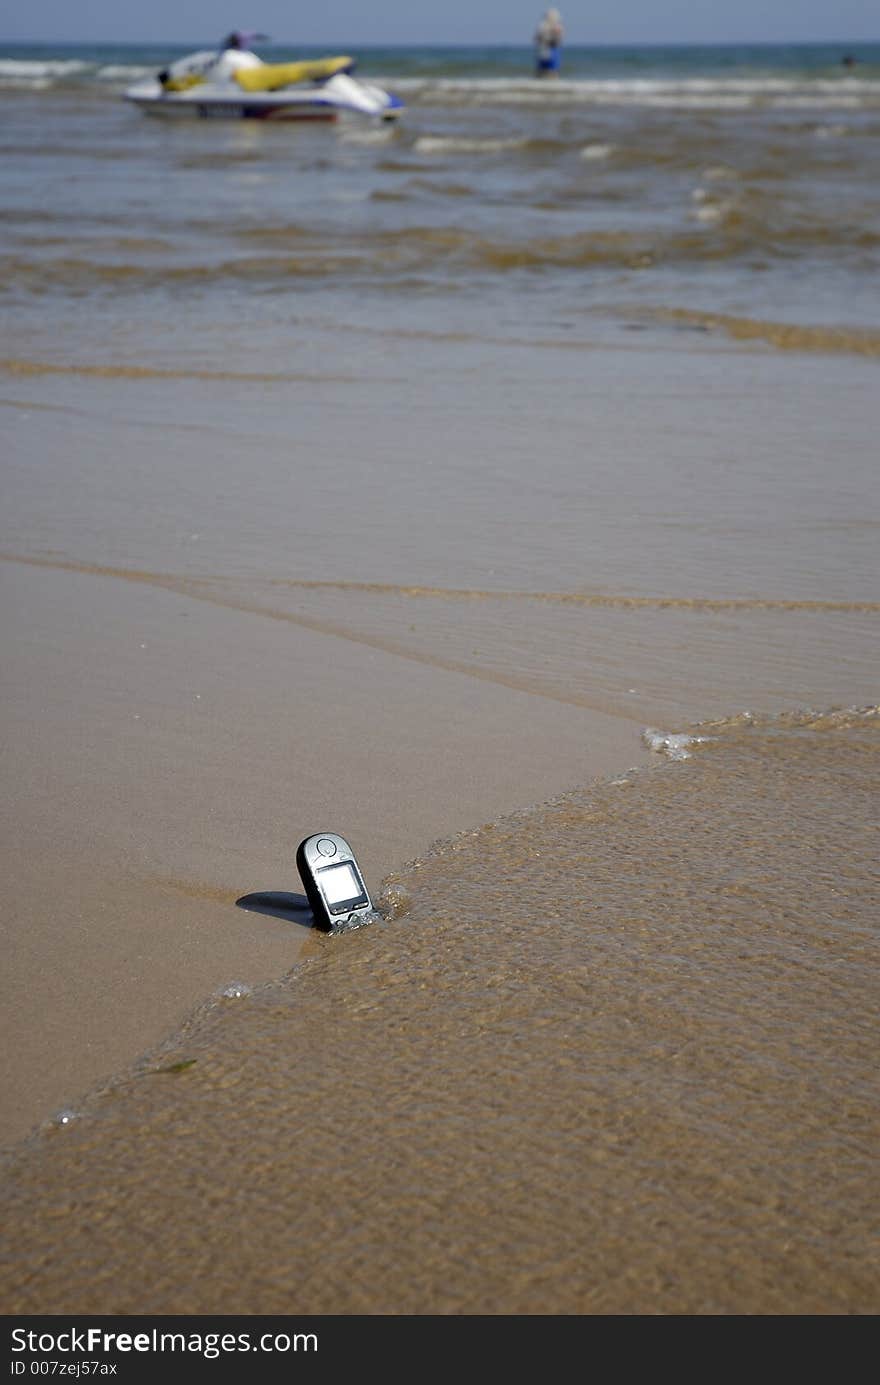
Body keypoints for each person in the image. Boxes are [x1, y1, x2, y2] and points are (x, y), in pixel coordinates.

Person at [534, 8, 564, 78]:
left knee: (551, 71)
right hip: (545, 50)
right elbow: (537, 38)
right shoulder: (543, 25)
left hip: (551, 50)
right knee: (543, 71)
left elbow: (559, 39)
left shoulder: (557, 26)